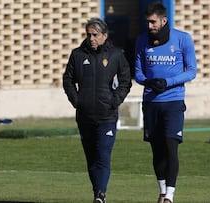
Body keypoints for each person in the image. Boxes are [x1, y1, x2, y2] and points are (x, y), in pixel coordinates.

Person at [63, 17, 132, 203]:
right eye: (88, 34)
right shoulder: (77, 55)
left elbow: (126, 81)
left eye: (95, 35)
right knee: (91, 158)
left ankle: (101, 194)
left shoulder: (116, 55)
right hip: (85, 117)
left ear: (104, 36)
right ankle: (98, 194)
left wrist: (114, 100)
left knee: (103, 154)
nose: (91, 38)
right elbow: (67, 80)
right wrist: (77, 101)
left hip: (107, 116)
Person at [134, 2, 197, 203]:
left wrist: (168, 82)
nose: (150, 26)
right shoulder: (141, 40)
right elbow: (138, 72)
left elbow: (191, 71)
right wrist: (148, 81)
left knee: (171, 146)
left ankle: (170, 196)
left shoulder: (183, 39)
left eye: (153, 22)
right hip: (151, 102)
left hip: (173, 102)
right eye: (148, 22)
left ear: (164, 20)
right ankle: (162, 191)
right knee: (157, 149)